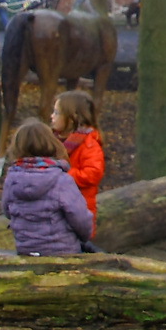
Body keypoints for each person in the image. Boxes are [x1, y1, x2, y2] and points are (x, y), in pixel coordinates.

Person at [0, 119, 94, 256]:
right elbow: (80, 218)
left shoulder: (12, 179)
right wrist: (84, 237)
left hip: (25, 249)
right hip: (62, 251)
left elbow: (7, 211)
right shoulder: (61, 180)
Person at [51, 91, 104, 230]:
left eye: (56, 113)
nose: (52, 116)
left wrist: (63, 175)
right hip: (58, 206)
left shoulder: (89, 144)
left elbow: (92, 174)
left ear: (72, 117)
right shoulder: (54, 142)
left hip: (79, 209)